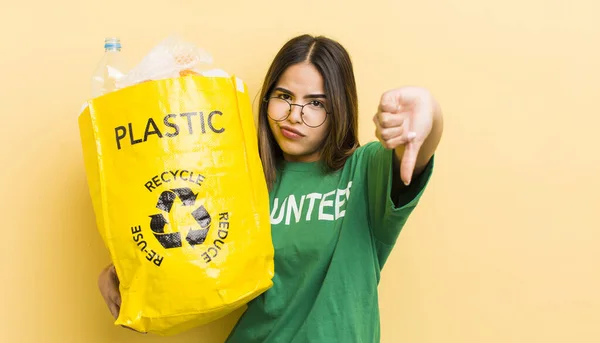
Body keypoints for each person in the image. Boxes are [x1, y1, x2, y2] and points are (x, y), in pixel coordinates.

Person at [98, 34, 444, 342]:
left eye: (316, 103)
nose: (294, 115)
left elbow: (420, 146)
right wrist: (131, 275)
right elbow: (193, 265)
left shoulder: (365, 170)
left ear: (339, 109)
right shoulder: (240, 179)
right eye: (284, 96)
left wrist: (429, 110)